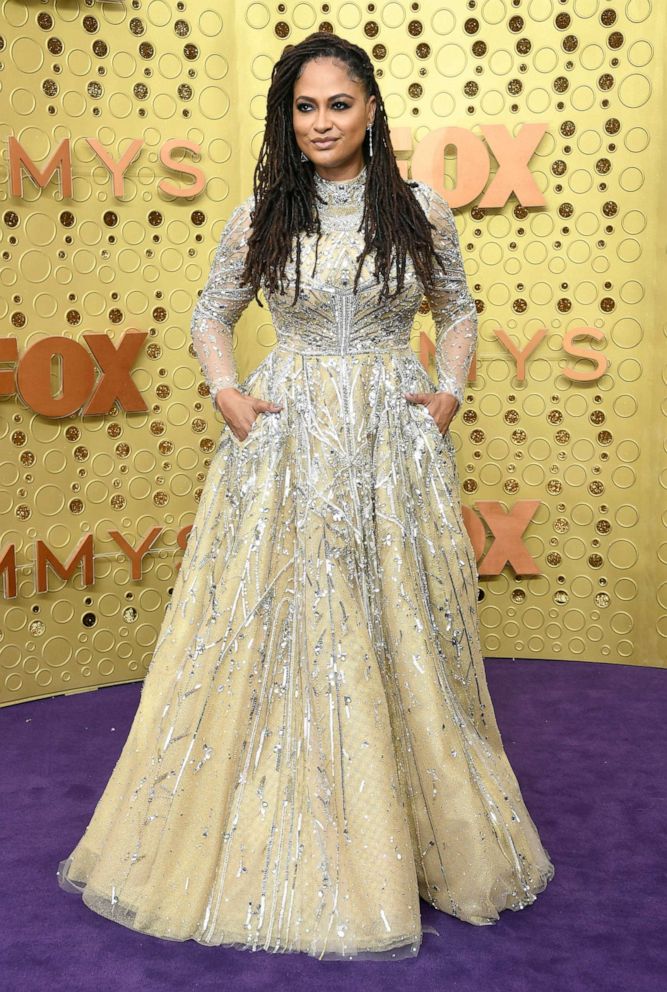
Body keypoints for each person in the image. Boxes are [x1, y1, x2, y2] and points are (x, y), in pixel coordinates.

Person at [56, 32, 555, 961]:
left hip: (388, 447)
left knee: (391, 623)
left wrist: (446, 395)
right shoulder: (260, 216)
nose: (321, 121)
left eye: (338, 103)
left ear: (371, 110)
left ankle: (403, 836)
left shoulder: (419, 211)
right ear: (288, 118)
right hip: (285, 447)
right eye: (304, 106)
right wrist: (229, 397)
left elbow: (458, 309)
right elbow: (211, 315)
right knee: (291, 630)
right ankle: (297, 826)